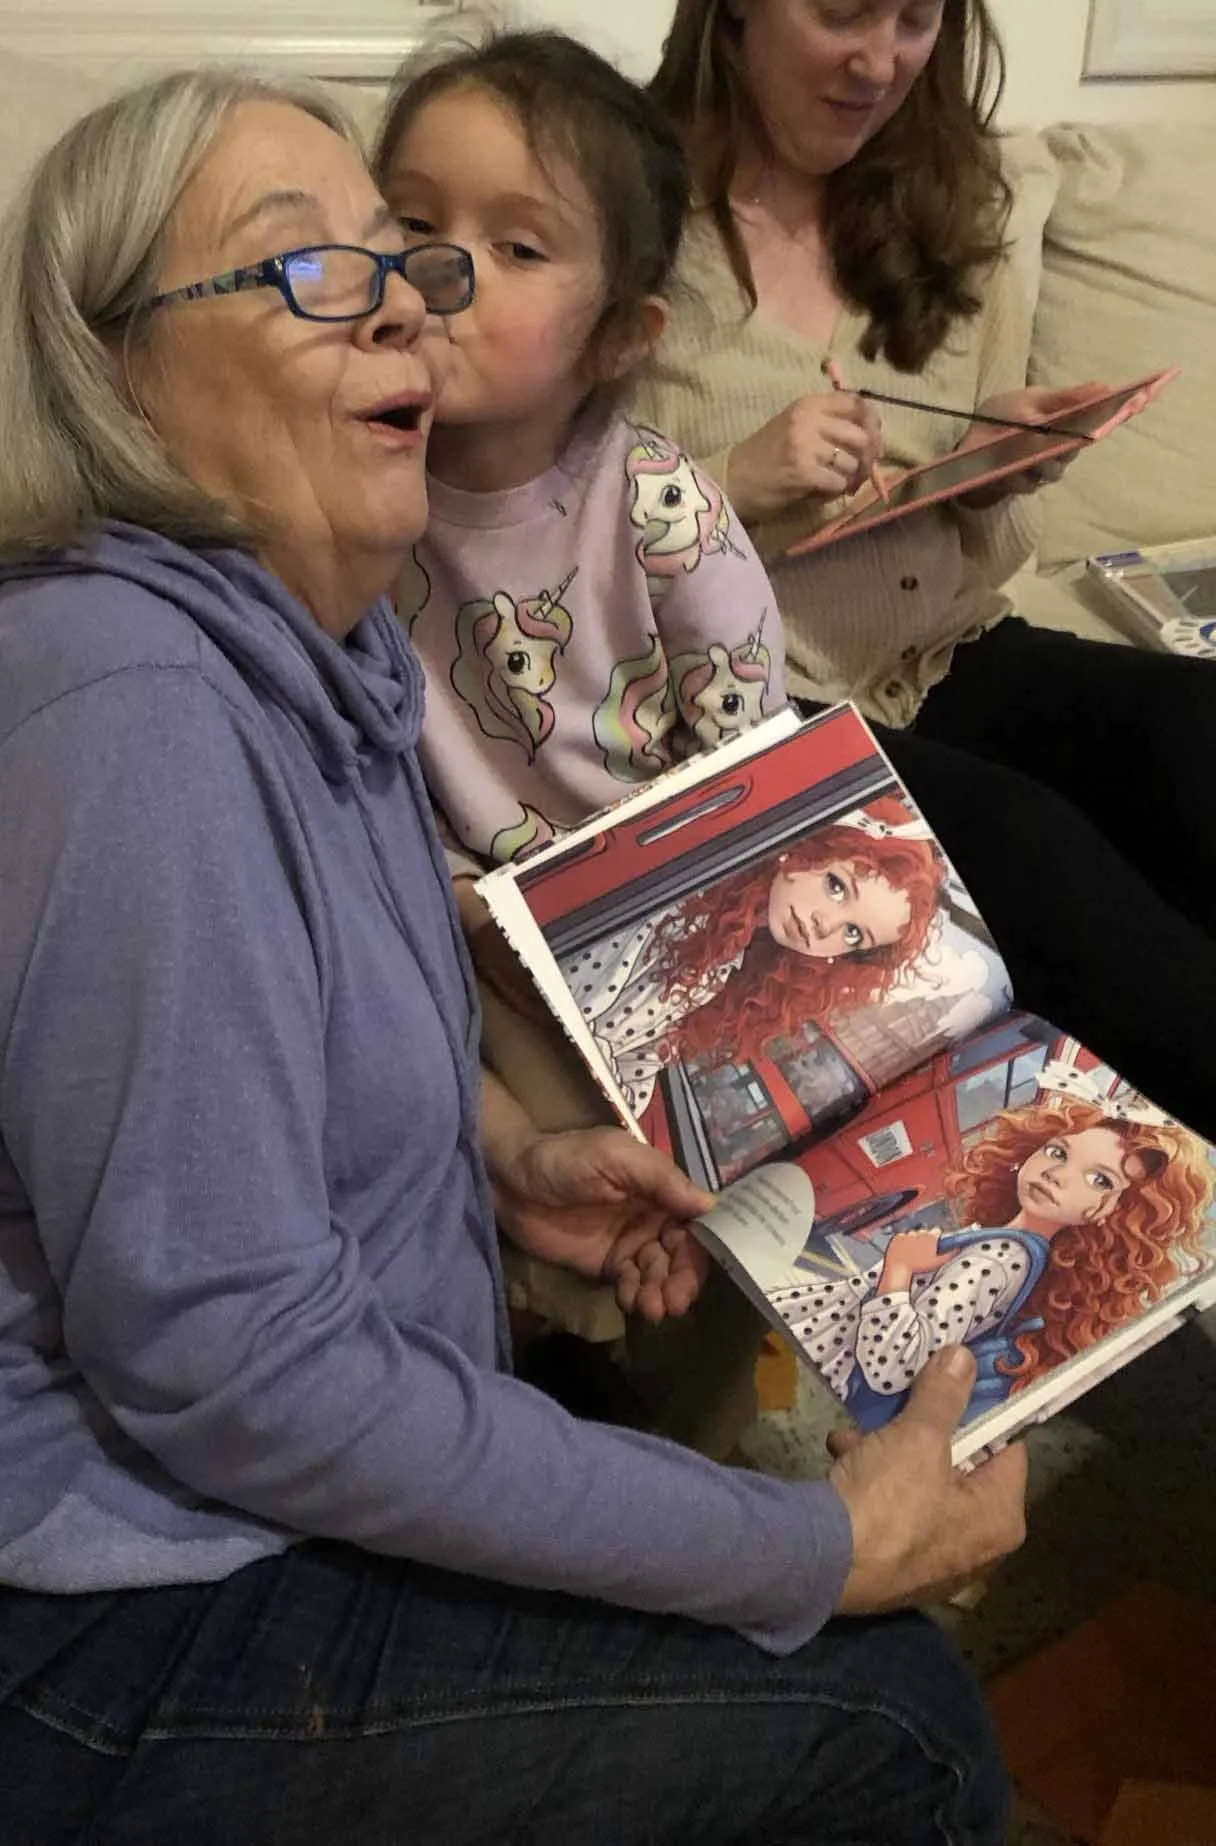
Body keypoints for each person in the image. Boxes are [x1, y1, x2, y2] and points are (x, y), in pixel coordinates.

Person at [0, 63, 1025, 1845]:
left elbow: (254, 1080)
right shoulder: (120, 701)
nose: (402, 291)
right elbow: (240, 1367)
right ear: (113, 370)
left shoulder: (327, 670)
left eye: (396, 254)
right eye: (302, 264)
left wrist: (504, 1157)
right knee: (895, 1730)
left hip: (116, 1520)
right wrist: (818, 1546)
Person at [635, 0, 1216, 1142]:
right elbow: (543, 550)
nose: (879, 60)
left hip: (952, 650)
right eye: (843, 11)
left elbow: (982, 563)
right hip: (762, 698)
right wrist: (727, 485)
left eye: (914, 19)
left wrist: (989, 468)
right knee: (1043, 856)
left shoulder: (953, 206)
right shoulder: (625, 212)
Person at [376, 30, 788, 1367]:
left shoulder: (659, 507)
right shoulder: (352, 486)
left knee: (721, 1175)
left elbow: (758, 766)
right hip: (465, 927)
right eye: (409, 221)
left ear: (621, 334)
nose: (440, 271)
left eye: (518, 246)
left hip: (669, 922)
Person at [771, 1093, 1214, 1428]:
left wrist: (899, 1269)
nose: (1057, 1173)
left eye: (1099, 1180)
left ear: (1104, 1212)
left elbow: (895, 1366)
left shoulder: (1000, 1257)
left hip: (813, 1370)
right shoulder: (1012, 1249)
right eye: (1059, 1152)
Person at [564, 805, 944, 1116]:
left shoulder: (728, 963)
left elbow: (637, 1065)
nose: (825, 924)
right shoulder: (685, 903)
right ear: (809, 846)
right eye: (836, 885)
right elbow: (579, 1009)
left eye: (853, 934)